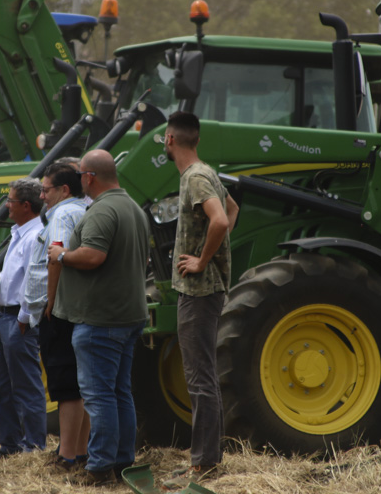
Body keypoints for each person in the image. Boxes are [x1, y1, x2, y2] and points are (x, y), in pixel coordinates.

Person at [47, 150, 150, 486]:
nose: (79, 181)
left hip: (100, 320)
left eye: (80, 175)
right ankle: (122, 462)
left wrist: (61, 254)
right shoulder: (132, 207)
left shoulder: (104, 210)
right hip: (126, 315)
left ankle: (100, 467)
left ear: (89, 177)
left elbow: (92, 256)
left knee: (100, 395)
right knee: (120, 392)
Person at [162, 111, 239, 483]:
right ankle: (206, 458)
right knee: (203, 375)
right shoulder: (205, 171)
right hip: (205, 289)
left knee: (200, 378)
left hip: (199, 291)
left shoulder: (194, 177)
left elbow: (221, 220)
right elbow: (232, 209)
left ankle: (203, 463)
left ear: (170, 139)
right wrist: (216, 255)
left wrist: (202, 261)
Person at [24, 162, 89, 471]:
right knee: (80, 384)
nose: (41, 195)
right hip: (76, 306)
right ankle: (79, 450)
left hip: (59, 309)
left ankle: (68, 456)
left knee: (65, 386)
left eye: (46, 189)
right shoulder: (83, 207)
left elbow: (57, 255)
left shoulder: (63, 213)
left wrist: (49, 301)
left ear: (64, 189)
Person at [0, 178, 47, 460]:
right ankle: (9, 445)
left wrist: (24, 317)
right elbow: (21, 276)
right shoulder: (20, 233)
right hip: (5, 318)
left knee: (25, 387)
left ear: (25, 205)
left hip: (17, 320)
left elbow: (37, 280)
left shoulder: (35, 236)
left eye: (10, 201)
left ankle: (33, 447)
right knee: (2, 386)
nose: (6, 206)